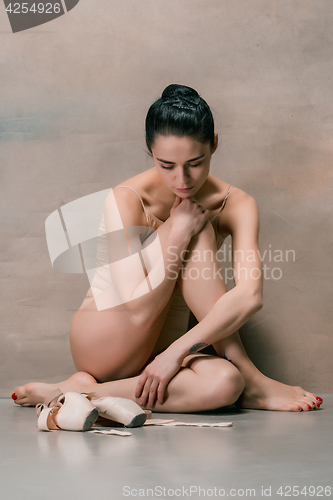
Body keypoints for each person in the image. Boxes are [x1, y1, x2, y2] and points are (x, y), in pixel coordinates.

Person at [12, 84, 323, 413]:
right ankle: (252, 378)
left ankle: (82, 393)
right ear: (150, 151)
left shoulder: (239, 204)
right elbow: (138, 311)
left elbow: (250, 296)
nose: (182, 179)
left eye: (195, 163)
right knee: (196, 226)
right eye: (166, 165)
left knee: (226, 384)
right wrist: (177, 231)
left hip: (164, 354)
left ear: (214, 144)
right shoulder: (126, 198)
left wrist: (177, 352)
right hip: (106, 338)